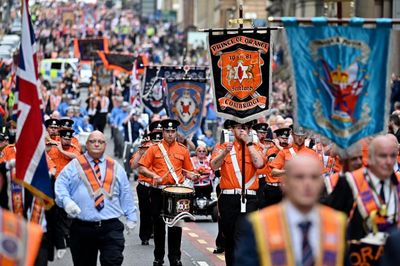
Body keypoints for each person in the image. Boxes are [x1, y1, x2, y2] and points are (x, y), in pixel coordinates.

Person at [235, 155, 347, 266]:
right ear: (285, 183)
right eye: (299, 177)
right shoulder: (258, 225)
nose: (307, 184)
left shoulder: (339, 223)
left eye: (314, 177)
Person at [55, 130, 137, 266]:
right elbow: (60, 185)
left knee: (113, 261)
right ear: (86, 144)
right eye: (93, 141)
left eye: (100, 141)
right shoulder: (74, 166)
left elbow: (125, 192)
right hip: (82, 228)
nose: (96, 144)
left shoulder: (115, 167)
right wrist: (66, 201)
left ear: (105, 145)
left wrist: (131, 216)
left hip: (111, 227)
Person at [138, 119, 195, 266]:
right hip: (158, 192)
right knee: (158, 226)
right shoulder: (154, 149)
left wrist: (193, 175)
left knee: (176, 226)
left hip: (176, 192)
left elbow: (189, 171)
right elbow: (142, 167)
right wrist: (153, 175)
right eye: (167, 131)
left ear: (176, 132)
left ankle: (175, 258)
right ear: (163, 132)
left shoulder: (183, 149)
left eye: (173, 131)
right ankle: (158, 257)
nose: (170, 134)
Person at [210, 120, 264, 266]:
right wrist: (225, 152)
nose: (243, 131)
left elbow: (259, 163)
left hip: (249, 197)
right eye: (240, 127)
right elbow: (214, 166)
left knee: (243, 236)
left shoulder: (254, 146)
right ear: (232, 129)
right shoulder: (222, 146)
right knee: (229, 237)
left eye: (246, 128)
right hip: (228, 197)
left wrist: (249, 143)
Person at [326, 135, 400, 241]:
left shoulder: (398, 181)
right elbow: (331, 220)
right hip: (359, 253)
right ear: (371, 158)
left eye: (392, 156)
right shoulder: (350, 181)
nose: (388, 161)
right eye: (383, 156)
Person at [129, 131, 161, 246]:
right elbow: (133, 165)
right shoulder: (145, 148)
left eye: (158, 140)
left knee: (157, 212)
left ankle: (157, 234)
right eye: (154, 140)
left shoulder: (164, 151)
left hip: (157, 186)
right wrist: (141, 153)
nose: (156, 143)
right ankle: (145, 236)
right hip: (144, 185)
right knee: (145, 212)